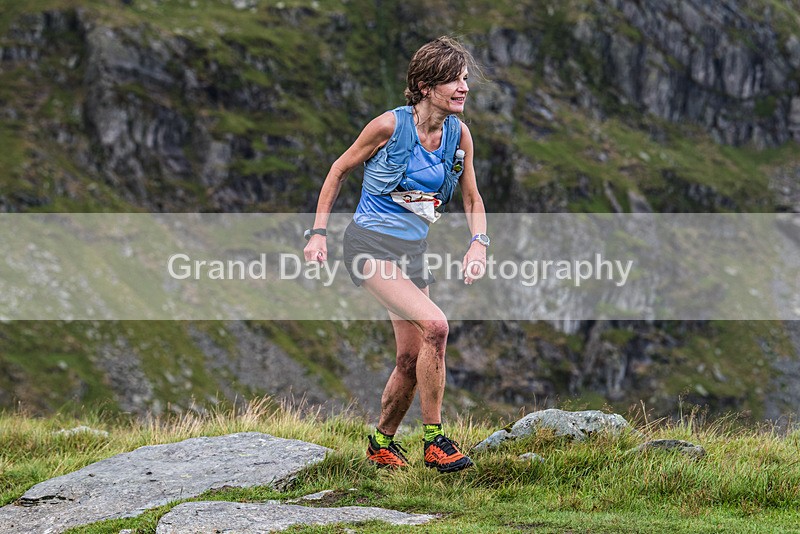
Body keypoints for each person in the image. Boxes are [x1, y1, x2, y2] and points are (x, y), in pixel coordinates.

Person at [303, 36, 488, 473]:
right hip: (368, 246)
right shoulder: (388, 126)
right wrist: (317, 234)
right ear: (425, 86)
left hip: (412, 251)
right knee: (437, 326)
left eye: (464, 79)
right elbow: (338, 170)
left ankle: (380, 444)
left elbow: (472, 198)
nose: (464, 88)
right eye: (453, 81)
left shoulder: (459, 135)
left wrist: (478, 244)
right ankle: (434, 440)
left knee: (410, 357)